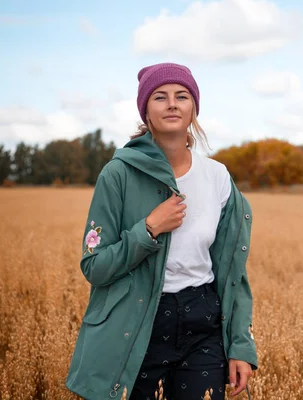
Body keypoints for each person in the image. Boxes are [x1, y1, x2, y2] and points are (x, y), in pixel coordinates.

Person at [66, 62, 257, 400]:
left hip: (203, 324)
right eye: (160, 97)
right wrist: (149, 229)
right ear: (146, 111)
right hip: (138, 323)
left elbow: (232, 274)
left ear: (193, 108)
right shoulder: (118, 174)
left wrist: (240, 344)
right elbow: (94, 266)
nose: (172, 103)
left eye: (182, 96)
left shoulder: (217, 177)